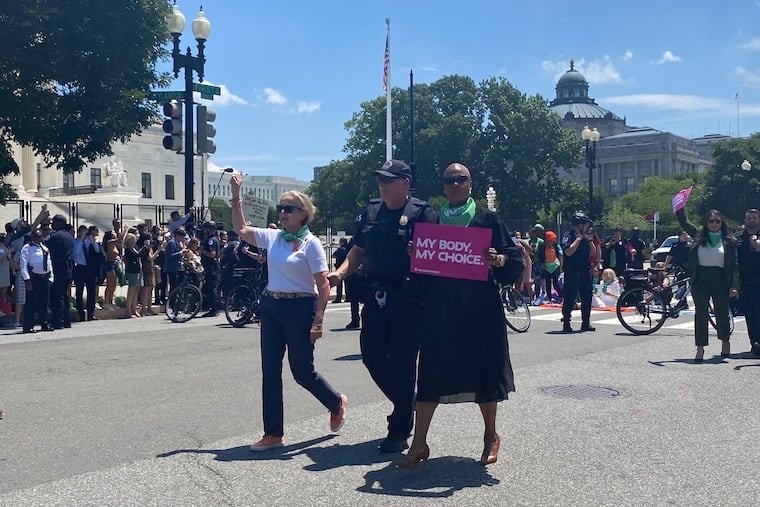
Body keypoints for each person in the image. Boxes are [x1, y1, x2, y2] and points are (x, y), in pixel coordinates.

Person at [400, 163, 519, 469]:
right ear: (442, 186)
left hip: (480, 309)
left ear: (470, 183)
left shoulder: (487, 218)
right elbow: (423, 273)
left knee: (484, 374)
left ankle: (491, 435)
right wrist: (417, 255)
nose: (454, 184)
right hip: (442, 309)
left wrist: (500, 258)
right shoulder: (433, 220)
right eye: (449, 180)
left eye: (460, 179)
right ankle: (419, 443)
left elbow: (513, 259)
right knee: (429, 374)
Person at [327, 159, 438, 453]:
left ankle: (399, 428)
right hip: (376, 296)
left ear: (406, 184)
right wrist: (341, 273)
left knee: (402, 364)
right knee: (372, 356)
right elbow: (359, 249)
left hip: (409, 298)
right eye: (381, 180)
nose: (383, 185)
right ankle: (407, 402)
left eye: (389, 180)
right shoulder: (372, 211)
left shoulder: (424, 214)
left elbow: (436, 259)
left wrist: (421, 255)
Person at [230, 175, 346, 452]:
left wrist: (318, 321)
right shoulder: (274, 238)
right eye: (281, 207)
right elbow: (242, 230)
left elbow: (323, 284)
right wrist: (236, 195)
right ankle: (274, 433)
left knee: (302, 371)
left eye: (288, 208)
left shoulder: (312, 244)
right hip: (271, 306)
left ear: (303, 214)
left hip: (300, 308)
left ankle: (335, 402)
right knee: (270, 370)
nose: (282, 212)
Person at [683, 210, 736, 361]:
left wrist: (734, 285)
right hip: (700, 278)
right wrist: (679, 207)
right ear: (706, 223)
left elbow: (734, 265)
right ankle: (700, 348)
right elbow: (685, 223)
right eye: (711, 221)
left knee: (722, 312)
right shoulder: (699, 236)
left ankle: (725, 342)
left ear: (722, 223)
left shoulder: (729, 241)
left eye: (717, 221)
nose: (714, 224)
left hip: (720, 278)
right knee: (700, 313)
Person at [560, 212, 595, 333]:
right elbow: (568, 251)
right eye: (585, 224)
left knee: (587, 297)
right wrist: (578, 239)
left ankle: (586, 323)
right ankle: (566, 323)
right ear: (579, 224)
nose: (586, 226)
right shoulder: (568, 235)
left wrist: (588, 240)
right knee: (570, 297)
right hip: (572, 271)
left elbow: (593, 253)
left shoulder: (585, 237)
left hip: (584, 270)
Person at [734, 208, 760, 356]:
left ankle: (758, 341)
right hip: (745, 282)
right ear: (745, 221)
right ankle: (754, 342)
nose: (752, 221)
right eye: (749, 218)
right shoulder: (738, 238)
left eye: (754, 218)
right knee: (750, 314)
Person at [19, 228, 54, 333]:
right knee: (31, 303)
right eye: (36, 236)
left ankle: (44, 324)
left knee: (43, 302)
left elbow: (49, 263)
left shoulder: (45, 248)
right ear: (32, 237)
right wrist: (27, 280)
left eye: (40, 236)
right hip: (33, 279)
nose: (38, 238)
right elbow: (23, 264)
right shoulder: (27, 248)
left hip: (44, 278)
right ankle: (28, 326)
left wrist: (51, 277)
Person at [46, 214, 74, 329]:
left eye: (54, 222)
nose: (52, 224)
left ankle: (58, 321)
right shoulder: (69, 236)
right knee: (64, 295)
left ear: (59, 223)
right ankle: (66, 320)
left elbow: (49, 252)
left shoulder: (54, 237)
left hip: (58, 268)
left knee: (56, 296)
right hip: (68, 268)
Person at [199, 222, 221, 317]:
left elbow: (212, 254)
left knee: (211, 288)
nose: (204, 231)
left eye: (206, 229)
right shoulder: (213, 239)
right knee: (210, 287)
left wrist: (202, 251)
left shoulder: (211, 240)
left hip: (211, 267)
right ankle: (213, 308)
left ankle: (214, 309)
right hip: (211, 266)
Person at [538, 230, 563, 304]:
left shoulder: (555, 245)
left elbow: (560, 255)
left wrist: (561, 266)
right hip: (546, 266)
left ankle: (561, 297)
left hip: (555, 265)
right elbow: (540, 256)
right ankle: (549, 299)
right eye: (550, 241)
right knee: (547, 283)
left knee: (555, 283)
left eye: (553, 241)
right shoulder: (542, 246)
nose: (552, 242)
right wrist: (542, 264)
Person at [123, 233, 143, 318]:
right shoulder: (128, 249)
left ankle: (134, 309)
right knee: (132, 290)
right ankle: (128, 309)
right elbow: (137, 254)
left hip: (138, 270)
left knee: (136, 290)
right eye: (134, 239)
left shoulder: (134, 248)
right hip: (132, 271)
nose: (135, 240)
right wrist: (144, 248)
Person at [331, 237, 349, 303]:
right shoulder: (348, 249)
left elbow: (333, 256)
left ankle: (338, 298)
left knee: (339, 285)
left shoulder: (340, 249)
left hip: (339, 268)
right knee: (347, 284)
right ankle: (348, 297)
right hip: (347, 269)